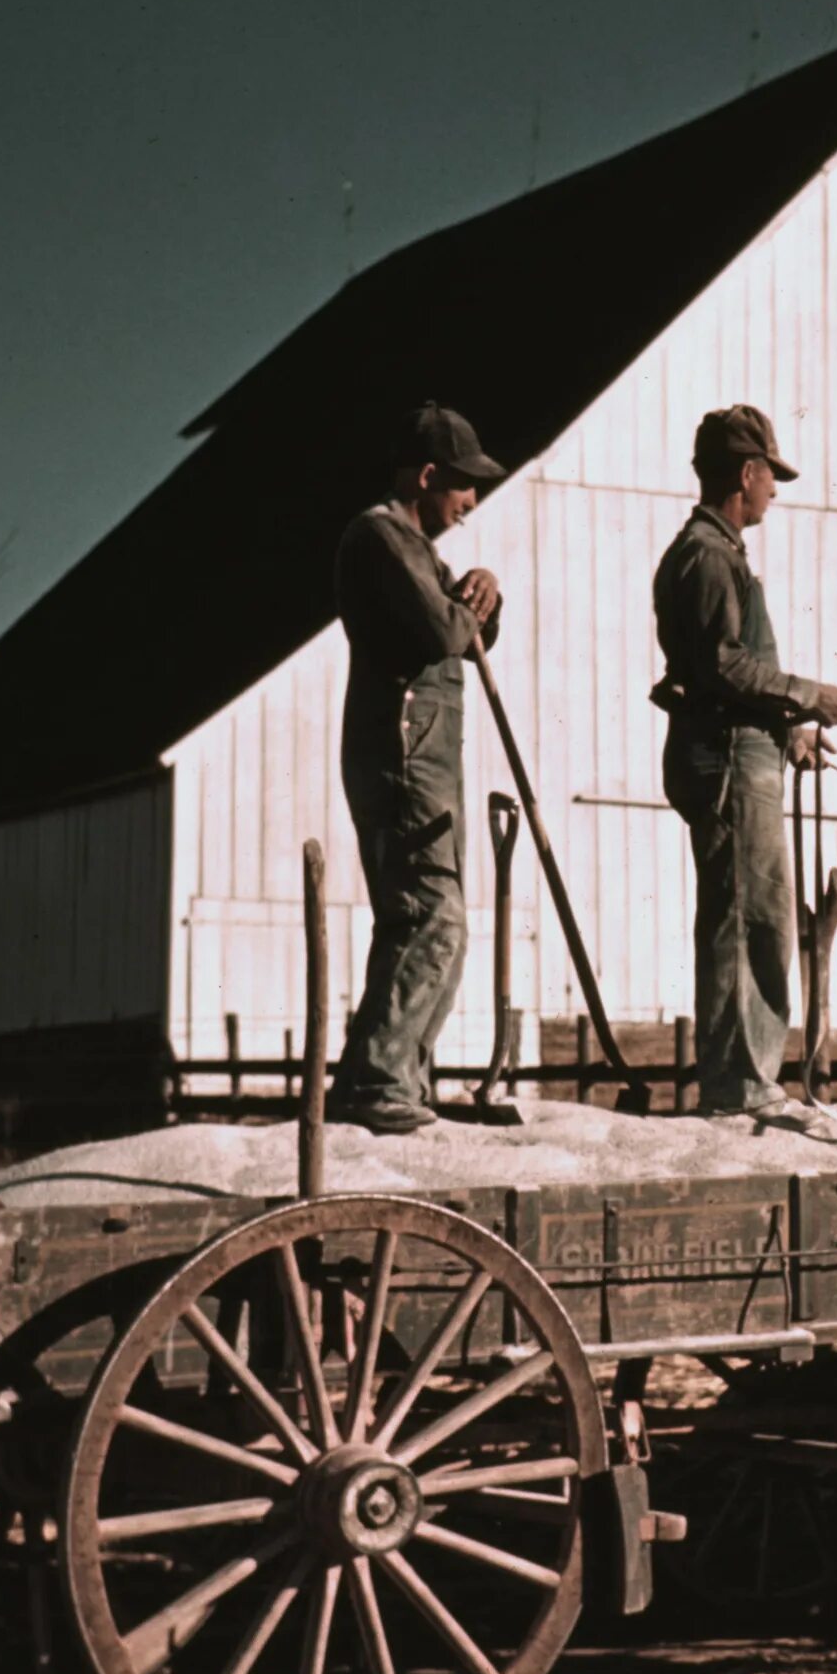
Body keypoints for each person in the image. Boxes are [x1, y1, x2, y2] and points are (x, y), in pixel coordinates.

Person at [650, 405, 837, 1115]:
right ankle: (741, 1082)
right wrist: (806, 696)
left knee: (753, 914)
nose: (774, 490)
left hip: (742, 752)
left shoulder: (715, 553)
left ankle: (744, 1077)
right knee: (752, 918)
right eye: (771, 475)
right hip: (733, 767)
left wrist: (790, 729)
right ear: (747, 472)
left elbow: (723, 674)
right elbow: (722, 665)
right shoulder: (708, 556)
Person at [325, 402, 509, 1133]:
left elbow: (456, 622)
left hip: (426, 759)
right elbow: (441, 628)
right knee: (431, 915)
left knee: (438, 919)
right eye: (464, 486)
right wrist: (472, 604)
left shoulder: (419, 550)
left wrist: (482, 592)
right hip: (403, 758)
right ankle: (377, 1083)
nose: (470, 504)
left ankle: (401, 1080)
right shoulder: (380, 536)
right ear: (427, 474)